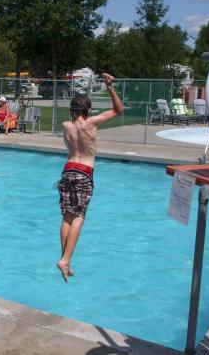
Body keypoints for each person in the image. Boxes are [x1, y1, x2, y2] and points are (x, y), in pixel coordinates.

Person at [56, 73, 124, 283]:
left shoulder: (66, 126)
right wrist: (110, 87)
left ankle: (65, 259)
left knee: (67, 216)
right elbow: (118, 110)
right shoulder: (92, 122)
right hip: (84, 173)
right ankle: (65, 259)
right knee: (79, 216)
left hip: (67, 171)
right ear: (87, 109)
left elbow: (69, 147)